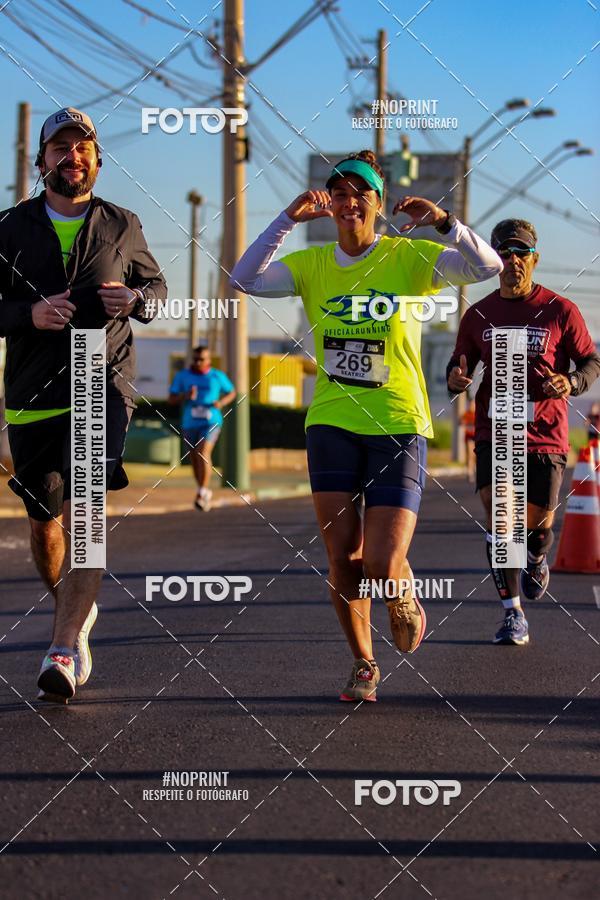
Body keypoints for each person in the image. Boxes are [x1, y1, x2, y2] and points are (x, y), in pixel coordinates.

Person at [230, 149, 502, 702]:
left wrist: (445, 223)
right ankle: (363, 664)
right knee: (342, 557)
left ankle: (401, 592)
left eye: (363, 194)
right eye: (342, 192)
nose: (351, 201)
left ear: (378, 205)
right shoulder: (313, 266)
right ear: (331, 203)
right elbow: (243, 279)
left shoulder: (407, 258)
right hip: (331, 421)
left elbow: (487, 268)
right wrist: (287, 219)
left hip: (398, 421)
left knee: (380, 561)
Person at [0, 107, 167, 701]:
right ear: (41, 159)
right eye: (60, 148)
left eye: (83, 148)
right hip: (31, 391)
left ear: (98, 158)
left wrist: (139, 298)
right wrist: (29, 315)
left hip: (102, 381)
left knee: (88, 512)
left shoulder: (123, 224)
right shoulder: (9, 228)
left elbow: (158, 287)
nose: (72, 157)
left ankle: (63, 646)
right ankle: (75, 611)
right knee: (45, 524)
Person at [447, 218, 600, 646]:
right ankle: (513, 613)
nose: (513, 261)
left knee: (536, 523)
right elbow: (460, 364)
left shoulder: (559, 310)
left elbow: (591, 362)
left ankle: (537, 554)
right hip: (495, 430)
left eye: (521, 253)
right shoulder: (478, 314)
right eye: (505, 253)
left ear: (535, 258)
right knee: (502, 523)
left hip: (546, 434)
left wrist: (571, 382)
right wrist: (455, 378)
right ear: (495, 259)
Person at [169, 345, 236, 510]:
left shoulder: (216, 376)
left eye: (202, 359)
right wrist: (185, 396)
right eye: (196, 359)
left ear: (209, 360)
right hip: (189, 423)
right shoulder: (182, 376)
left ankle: (202, 491)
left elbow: (232, 392)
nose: (198, 362)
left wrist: (221, 402)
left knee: (203, 452)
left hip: (211, 421)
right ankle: (202, 491)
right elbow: (171, 399)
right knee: (194, 458)